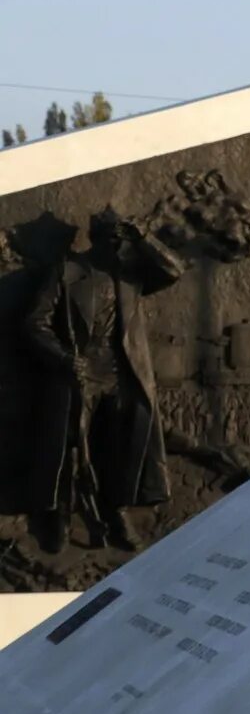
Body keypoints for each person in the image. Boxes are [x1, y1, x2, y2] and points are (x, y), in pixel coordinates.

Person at [22, 208, 185, 552]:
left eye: (123, 240)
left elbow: (174, 269)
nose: (119, 245)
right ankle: (61, 516)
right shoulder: (67, 273)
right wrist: (64, 358)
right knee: (70, 449)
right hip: (76, 373)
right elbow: (35, 322)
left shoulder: (130, 276)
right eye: (114, 238)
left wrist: (143, 235)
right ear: (97, 239)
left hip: (120, 375)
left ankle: (117, 511)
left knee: (121, 447)